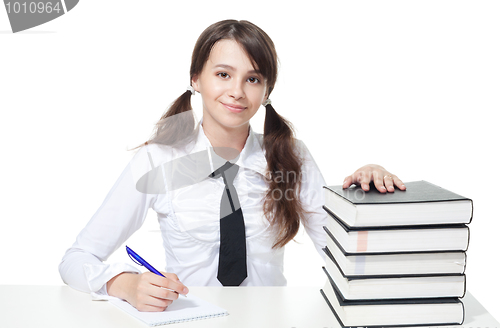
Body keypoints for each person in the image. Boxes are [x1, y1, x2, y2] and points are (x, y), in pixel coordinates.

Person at [59, 19, 405, 312]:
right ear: (196, 79)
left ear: (266, 90)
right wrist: (126, 284)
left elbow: (348, 257)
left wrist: (366, 195)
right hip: (188, 325)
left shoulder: (290, 158)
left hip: (269, 326)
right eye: (223, 74)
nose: (237, 91)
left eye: (252, 79)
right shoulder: (158, 160)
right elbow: (76, 259)